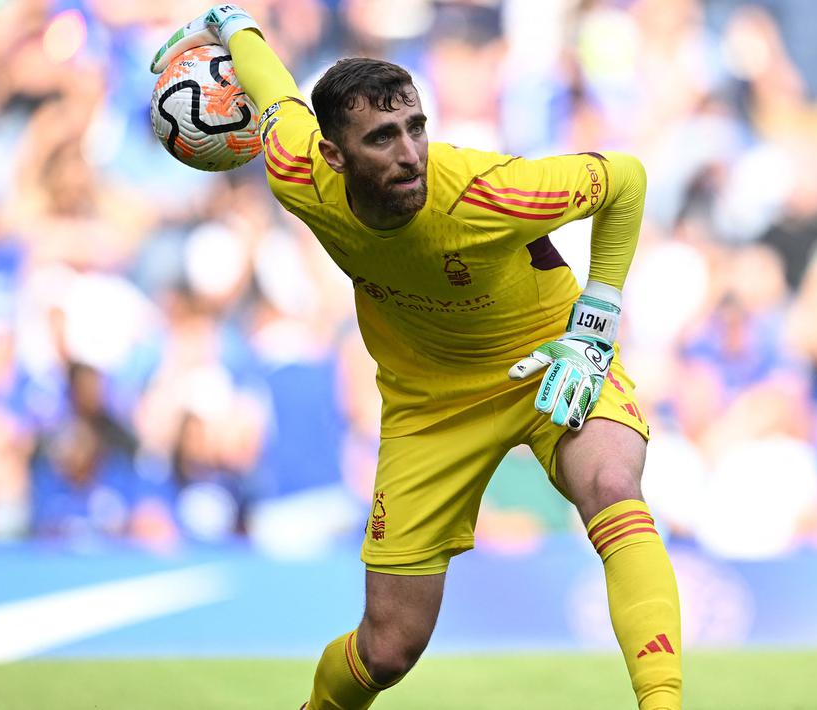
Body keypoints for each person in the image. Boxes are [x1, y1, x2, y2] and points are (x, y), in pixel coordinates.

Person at [151, 7, 682, 709]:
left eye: (415, 127)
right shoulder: (293, 171)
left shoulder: (483, 190)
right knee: (388, 647)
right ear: (333, 155)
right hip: (427, 405)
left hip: (552, 360)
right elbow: (274, 93)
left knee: (612, 483)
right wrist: (231, 24)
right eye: (381, 137)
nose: (408, 153)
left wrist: (596, 319)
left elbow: (625, 178)